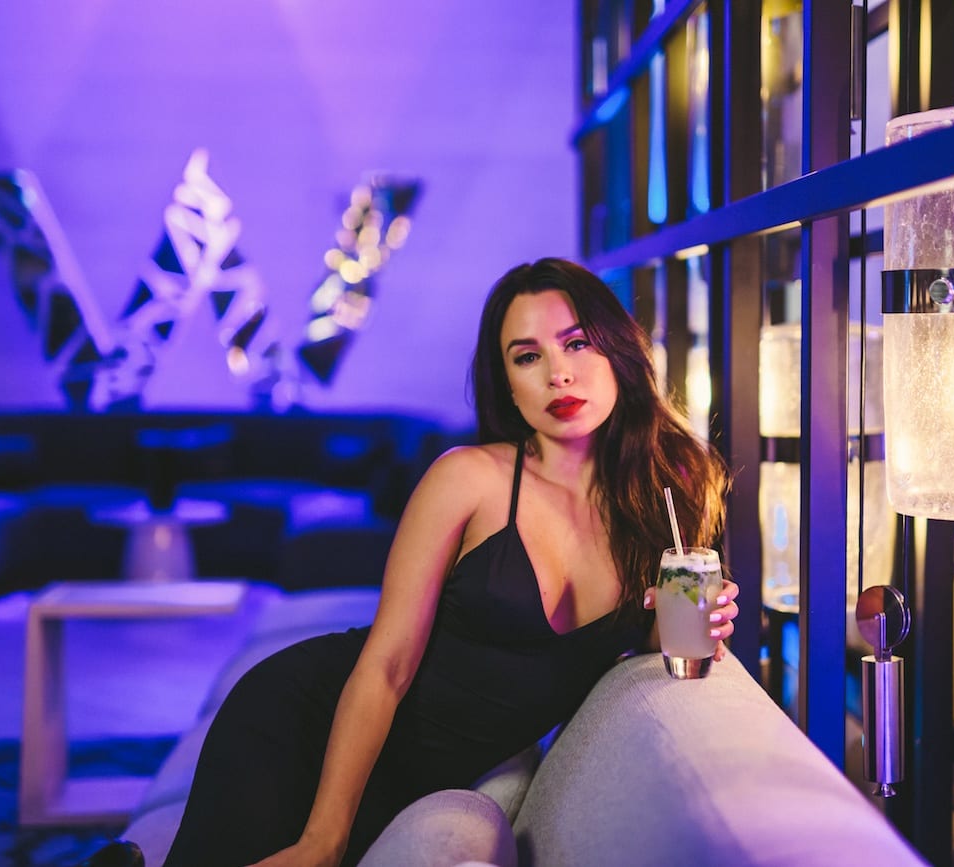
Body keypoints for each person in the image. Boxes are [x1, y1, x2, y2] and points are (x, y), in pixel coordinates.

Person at [161, 258, 737, 867]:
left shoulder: (673, 493)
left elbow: (642, 634)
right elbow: (386, 665)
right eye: (527, 356)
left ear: (619, 352)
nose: (559, 375)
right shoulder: (469, 478)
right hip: (307, 729)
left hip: (431, 782)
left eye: (576, 343)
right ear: (508, 384)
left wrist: (689, 624)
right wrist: (324, 838)